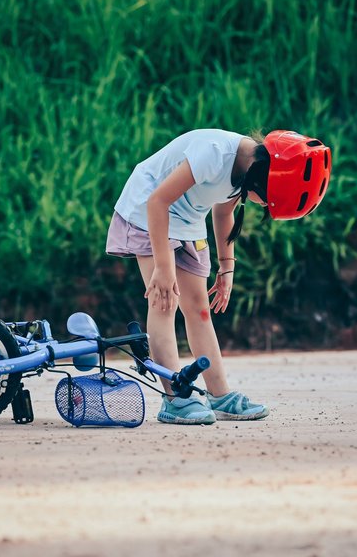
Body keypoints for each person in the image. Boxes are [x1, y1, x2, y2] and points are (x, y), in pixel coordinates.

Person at [106, 128, 332, 424]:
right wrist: (163, 266)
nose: (264, 204)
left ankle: (220, 396)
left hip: (188, 220)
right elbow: (157, 202)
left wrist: (226, 267)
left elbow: (223, 214)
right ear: (261, 176)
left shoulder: (247, 167)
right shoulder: (214, 154)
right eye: (267, 199)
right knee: (164, 302)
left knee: (199, 309)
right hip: (148, 211)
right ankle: (175, 398)